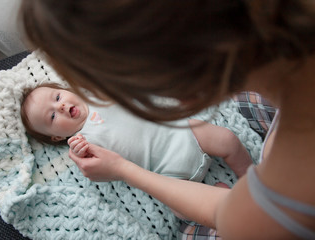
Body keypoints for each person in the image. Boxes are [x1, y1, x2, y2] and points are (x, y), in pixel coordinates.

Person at [19, 0, 315, 238]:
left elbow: (236, 217)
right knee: (183, 212)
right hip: (170, 171)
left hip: (196, 154)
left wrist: (122, 169)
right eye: (52, 117)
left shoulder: (267, 213)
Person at [21, 83, 252, 181]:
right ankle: (221, 200)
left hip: (183, 134)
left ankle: (249, 175)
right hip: (164, 173)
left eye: (58, 97)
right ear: (57, 138)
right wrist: (82, 153)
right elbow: (100, 170)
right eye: (52, 116)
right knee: (181, 210)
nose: (60, 107)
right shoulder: (83, 142)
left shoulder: (97, 95)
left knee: (228, 139)